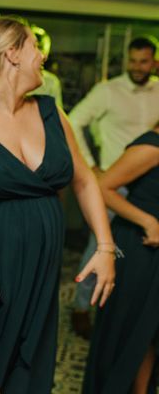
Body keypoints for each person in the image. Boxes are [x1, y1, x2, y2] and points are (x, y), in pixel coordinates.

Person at [0, 17, 116, 393]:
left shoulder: (51, 113)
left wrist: (106, 246)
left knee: (29, 375)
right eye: (34, 47)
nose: (42, 55)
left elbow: (84, 178)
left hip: (41, 275)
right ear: (12, 53)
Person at [69, 36, 159, 338]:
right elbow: (74, 120)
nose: (136, 67)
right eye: (132, 61)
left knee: (134, 254)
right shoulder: (108, 90)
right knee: (101, 246)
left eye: (143, 61)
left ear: (154, 61)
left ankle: (121, 310)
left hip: (147, 189)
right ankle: (81, 307)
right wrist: (90, 166)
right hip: (114, 183)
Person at [83, 125, 159, 394]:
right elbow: (103, 187)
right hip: (139, 249)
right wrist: (148, 221)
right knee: (129, 332)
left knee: (149, 337)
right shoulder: (153, 145)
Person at [29, 24, 63, 107]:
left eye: (44, 50)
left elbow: (56, 115)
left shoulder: (51, 82)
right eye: (37, 47)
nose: (43, 56)